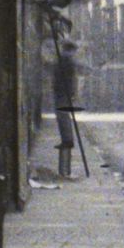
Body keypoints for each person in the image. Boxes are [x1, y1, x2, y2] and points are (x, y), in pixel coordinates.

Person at [53, 40, 80, 178]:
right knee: (64, 118)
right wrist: (72, 93)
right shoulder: (67, 61)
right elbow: (71, 80)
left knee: (63, 118)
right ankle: (67, 140)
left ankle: (67, 140)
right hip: (64, 94)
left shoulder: (63, 61)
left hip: (62, 94)